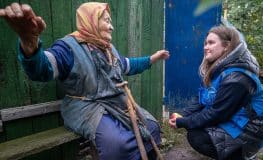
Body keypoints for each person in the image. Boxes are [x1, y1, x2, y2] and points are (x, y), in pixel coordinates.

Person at [0, 2, 169, 160]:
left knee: (151, 126)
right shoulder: (68, 47)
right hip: (87, 107)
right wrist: (30, 45)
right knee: (117, 144)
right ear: (91, 21)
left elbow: (127, 65)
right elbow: (43, 69)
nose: (112, 26)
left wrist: (153, 58)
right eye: (106, 21)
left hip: (115, 102)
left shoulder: (108, 48)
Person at [168, 26, 263, 160]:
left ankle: (240, 155)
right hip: (236, 119)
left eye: (211, 43)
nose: (206, 47)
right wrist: (184, 115)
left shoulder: (237, 77)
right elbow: (201, 98)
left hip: (253, 128)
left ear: (227, 46)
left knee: (197, 136)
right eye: (205, 43)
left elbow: (216, 114)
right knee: (196, 126)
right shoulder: (218, 70)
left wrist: (183, 122)